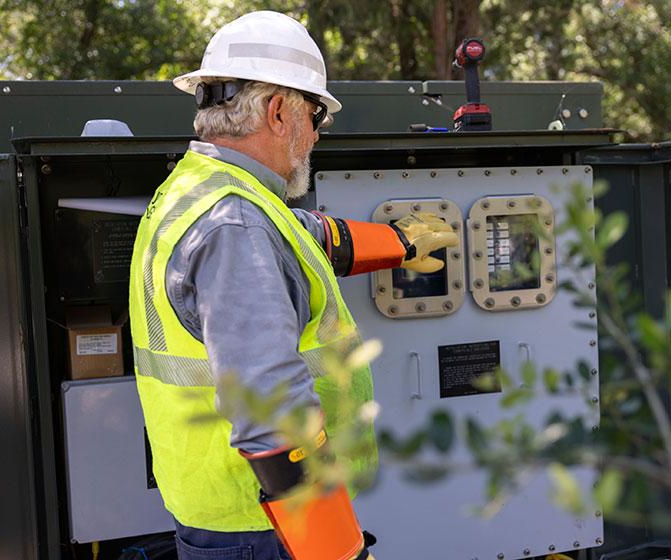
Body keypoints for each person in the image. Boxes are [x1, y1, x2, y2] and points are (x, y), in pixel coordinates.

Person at [128, 10, 457, 560]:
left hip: (227, 515)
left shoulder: (199, 191)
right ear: (279, 111)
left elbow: (298, 237)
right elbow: (273, 412)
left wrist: (398, 243)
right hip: (267, 530)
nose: (316, 136)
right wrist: (339, 550)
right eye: (315, 117)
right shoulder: (236, 225)